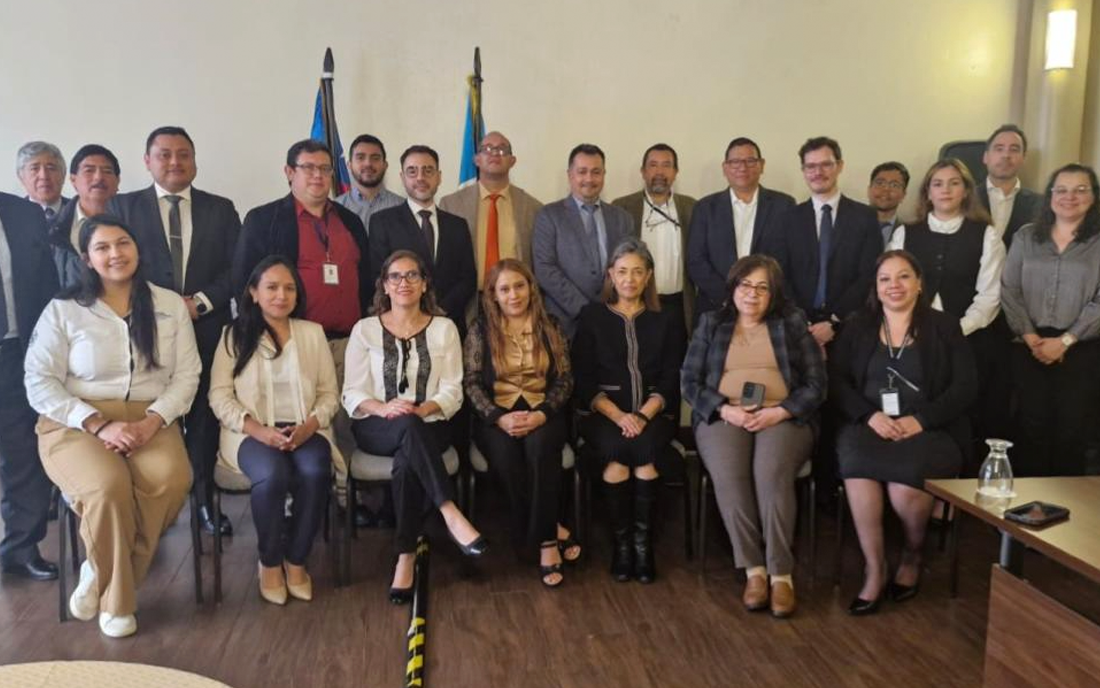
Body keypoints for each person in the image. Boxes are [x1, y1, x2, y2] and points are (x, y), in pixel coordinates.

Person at [24, 216, 200, 637]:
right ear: (87, 259)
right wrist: (98, 424)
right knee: (107, 486)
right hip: (75, 421)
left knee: (172, 479)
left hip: (149, 417)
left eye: (123, 243)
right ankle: (118, 603)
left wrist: (153, 421)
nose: (115, 254)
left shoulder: (168, 304)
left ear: (137, 248)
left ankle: (98, 569)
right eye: (102, 247)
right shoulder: (64, 309)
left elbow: (187, 375)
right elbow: (39, 380)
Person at [829, 250, 977, 615]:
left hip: (930, 429)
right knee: (856, 467)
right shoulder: (858, 325)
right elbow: (836, 381)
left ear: (919, 283)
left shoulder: (945, 326)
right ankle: (875, 568)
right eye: (885, 279)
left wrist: (921, 420)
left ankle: (912, 555)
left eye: (903, 277)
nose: (893, 285)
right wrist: (869, 415)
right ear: (875, 287)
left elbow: (965, 387)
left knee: (904, 487)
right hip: (869, 424)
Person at [112, 126, 242, 536]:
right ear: (147, 161)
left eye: (183, 154)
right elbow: (114, 266)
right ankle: (150, 503)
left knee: (203, 416)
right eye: (164, 154)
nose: (174, 162)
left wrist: (198, 303)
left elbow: (236, 269)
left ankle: (203, 500)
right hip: (142, 329)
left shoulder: (221, 209)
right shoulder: (122, 207)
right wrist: (161, 307)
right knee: (148, 412)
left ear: (195, 161)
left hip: (206, 328)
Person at [681, 255, 825, 618]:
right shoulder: (712, 323)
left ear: (774, 293)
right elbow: (689, 381)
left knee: (770, 474)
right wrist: (723, 409)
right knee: (729, 475)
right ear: (733, 288)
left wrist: (782, 411)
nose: (752, 294)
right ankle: (754, 570)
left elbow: (816, 383)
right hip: (725, 415)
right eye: (745, 285)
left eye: (763, 287)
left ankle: (781, 574)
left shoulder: (792, 322)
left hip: (782, 415)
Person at [342, 250, 485, 604]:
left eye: (412, 276)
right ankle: (449, 511)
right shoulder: (364, 330)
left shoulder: (444, 328)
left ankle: (405, 556)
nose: (403, 283)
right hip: (376, 426)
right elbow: (352, 392)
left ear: (424, 285)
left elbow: (453, 390)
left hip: (431, 423)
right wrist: (384, 408)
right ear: (384, 285)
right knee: (406, 427)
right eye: (395, 276)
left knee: (408, 458)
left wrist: (422, 409)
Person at [209, 256, 337, 605]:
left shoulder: (312, 334)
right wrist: (258, 430)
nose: (281, 295)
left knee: (315, 471)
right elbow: (219, 395)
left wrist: (309, 426)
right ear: (253, 292)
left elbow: (329, 394)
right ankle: (269, 562)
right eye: (272, 287)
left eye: (289, 288)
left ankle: (296, 560)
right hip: (250, 432)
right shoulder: (233, 335)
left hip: (305, 428)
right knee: (273, 474)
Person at [572, 238, 684, 584]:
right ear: (611, 274)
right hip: (603, 416)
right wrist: (621, 417)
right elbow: (583, 379)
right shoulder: (592, 316)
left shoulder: (667, 317)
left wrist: (643, 415)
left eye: (637, 272)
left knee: (646, 457)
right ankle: (623, 547)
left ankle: (642, 546)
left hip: (654, 414)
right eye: (622, 271)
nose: (629, 279)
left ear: (649, 276)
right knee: (618, 457)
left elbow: (672, 376)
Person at [463, 259, 577, 587]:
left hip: (543, 410)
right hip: (496, 415)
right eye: (504, 289)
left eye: (519, 286)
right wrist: (498, 418)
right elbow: (471, 382)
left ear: (531, 288)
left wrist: (543, 413)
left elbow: (565, 379)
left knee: (541, 450)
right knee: (507, 457)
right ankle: (550, 528)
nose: (513, 295)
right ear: (493, 295)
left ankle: (545, 543)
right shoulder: (480, 329)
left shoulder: (550, 325)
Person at [888, 159, 1007, 449]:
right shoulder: (905, 234)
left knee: (967, 415)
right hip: (913, 339)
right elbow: (892, 288)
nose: (946, 190)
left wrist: (956, 331)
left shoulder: (986, 235)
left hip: (970, 340)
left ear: (966, 191)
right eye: (938, 184)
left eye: (954, 183)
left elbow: (990, 296)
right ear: (927, 192)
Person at [1001, 164, 1100, 477]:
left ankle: (1066, 504)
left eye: (1080, 190)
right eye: (1062, 189)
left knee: (1072, 430)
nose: (1070, 197)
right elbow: (1009, 289)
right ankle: (1028, 503)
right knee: (1030, 427)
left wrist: (1066, 341)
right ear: (1050, 196)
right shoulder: (1026, 236)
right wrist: (1031, 337)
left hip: (1082, 347)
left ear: (1094, 197)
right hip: (1029, 345)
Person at [763, 136, 881, 349]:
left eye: (826, 164)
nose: (818, 172)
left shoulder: (865, 218)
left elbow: (869, 274)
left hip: (849, 326)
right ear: (803, 171)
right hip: (797, 329)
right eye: (811, 166)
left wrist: (834, 320)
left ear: (840, 166)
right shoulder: (787, 220)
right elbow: (779, 274)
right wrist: (802, 320)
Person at [0, 192, 59, 582]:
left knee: (22, 452)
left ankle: (21, 547)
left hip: (17, 350)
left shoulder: (23, 213)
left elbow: (47, 283)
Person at [368, 145, 477, 339]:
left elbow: (468, 278)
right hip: (400, 328)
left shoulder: (457, 225)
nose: (420, 177)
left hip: (449, 325)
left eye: (428, 170)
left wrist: (439, 311)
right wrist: (418, 313)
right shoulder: (382, 222)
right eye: (412, 171)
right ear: (402, 177)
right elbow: (379, 275)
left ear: (439, 177)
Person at [533, 144, 635, 338]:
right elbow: (545, 269)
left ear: (604, 175)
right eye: (582, 172)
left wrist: (610, 309)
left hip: (613, 319)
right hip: (564, 323)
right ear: (570, 175)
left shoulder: (622, 218)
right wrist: (584, 309)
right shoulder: (549, 216)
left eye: (596, 172)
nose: (589, 179)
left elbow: (629, 266)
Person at [687, 137, 794, 317]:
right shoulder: (705, 208)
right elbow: (695, 260)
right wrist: (729, 297)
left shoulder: (784, 205)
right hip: (717, 307)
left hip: (767, 308)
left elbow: (788, 259)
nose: (743, 168)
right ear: (725, 168)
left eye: (750, 161)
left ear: (761, 165)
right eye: (735, 162)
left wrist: (759, 295)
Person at [439, 131, 544, 287]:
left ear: (512, 161)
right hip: (467, 296)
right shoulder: (451, 205)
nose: (494, 153)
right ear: (476, 159)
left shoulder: (533, 208)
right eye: (487, 149)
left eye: (502, 149)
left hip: (513, 296)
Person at [612, 143, 697, 332]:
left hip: (679, 305)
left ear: (675, 172)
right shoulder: (622, 207)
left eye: (666, 165)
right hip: (637, 302)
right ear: (643, 171)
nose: (659, 171)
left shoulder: (691, 207)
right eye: (653, 165)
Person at [48, 144, 121, 289]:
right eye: (89, 170)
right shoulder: (51, 228)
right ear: (73, 180)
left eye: (107, 171)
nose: (98, 177)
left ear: (118, 180)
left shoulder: (135, 221)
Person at [978, 124, 1041, 249]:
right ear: (985, 157)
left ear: (1023, 158)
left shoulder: (1041, 204)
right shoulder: (965, 198)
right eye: (999, 149)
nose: (1006, 155)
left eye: (1014, 149)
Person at [335, 134, 404, 231]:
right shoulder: (336, 208)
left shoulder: (402, 206)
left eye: (375, 158)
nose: (368, 164)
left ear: (385, 165)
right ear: (349, 165)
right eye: (360, 158)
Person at [15, 141, 68, 219]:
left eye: (51, 168)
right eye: (34, 168)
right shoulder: (10, 215)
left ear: (63, 175)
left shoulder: (79, 210)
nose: (44, 176)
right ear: (21, 177)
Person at [868, 162, 909, 246]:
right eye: (880, 183)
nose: (886, 189)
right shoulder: (849, 223)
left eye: (894, 185)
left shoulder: (908, 233)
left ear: (903, 195)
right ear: (869, 189)